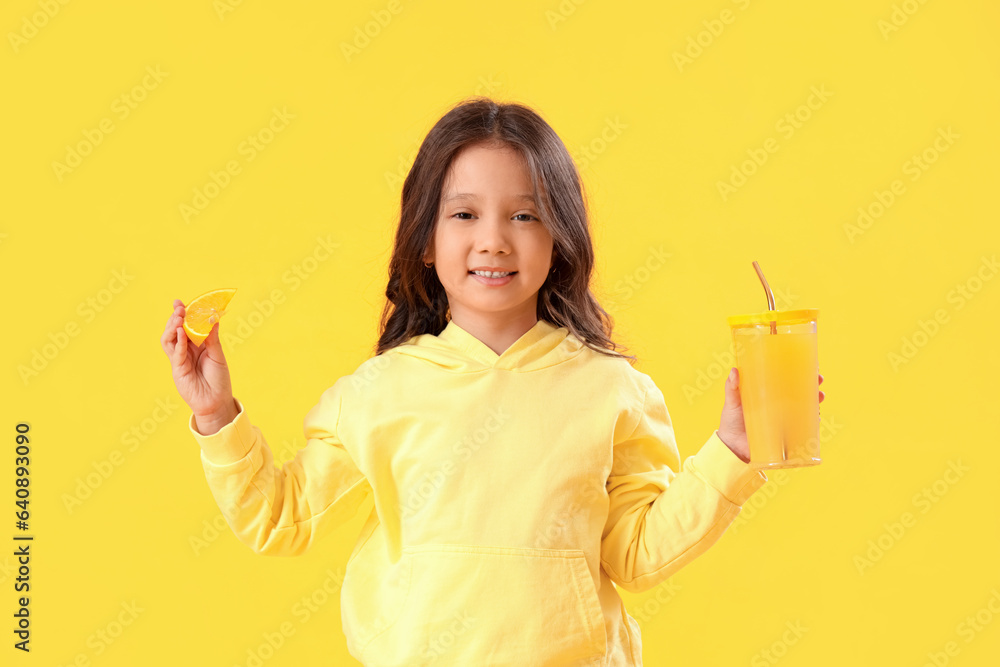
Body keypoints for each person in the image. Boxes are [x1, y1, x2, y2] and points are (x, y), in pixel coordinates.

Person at [160, 97, 825, 667]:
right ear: (426, 239)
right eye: (465, 214)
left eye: (524, 215)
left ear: (559, 236)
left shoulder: (612, 390)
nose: (494, 240)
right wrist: (217, 414)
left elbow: (637, 553)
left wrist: (734, 450)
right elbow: (279, 518)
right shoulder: (378, 393)